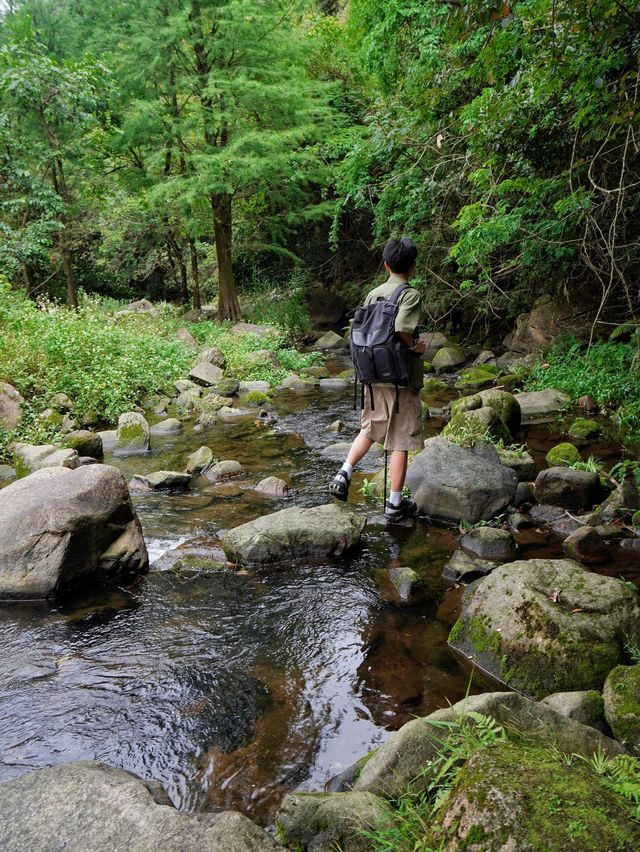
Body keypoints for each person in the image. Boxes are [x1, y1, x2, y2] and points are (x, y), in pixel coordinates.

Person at [329, 237, 425, 520]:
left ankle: (344, 472)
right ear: (413, 266)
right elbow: (401, 327)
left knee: (370, 429)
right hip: (399, 376)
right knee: (400, 440)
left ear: (385, 265)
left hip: (372, 374)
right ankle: (395, 504)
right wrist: (414, 347)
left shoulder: (373, 294)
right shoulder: (410, 294)